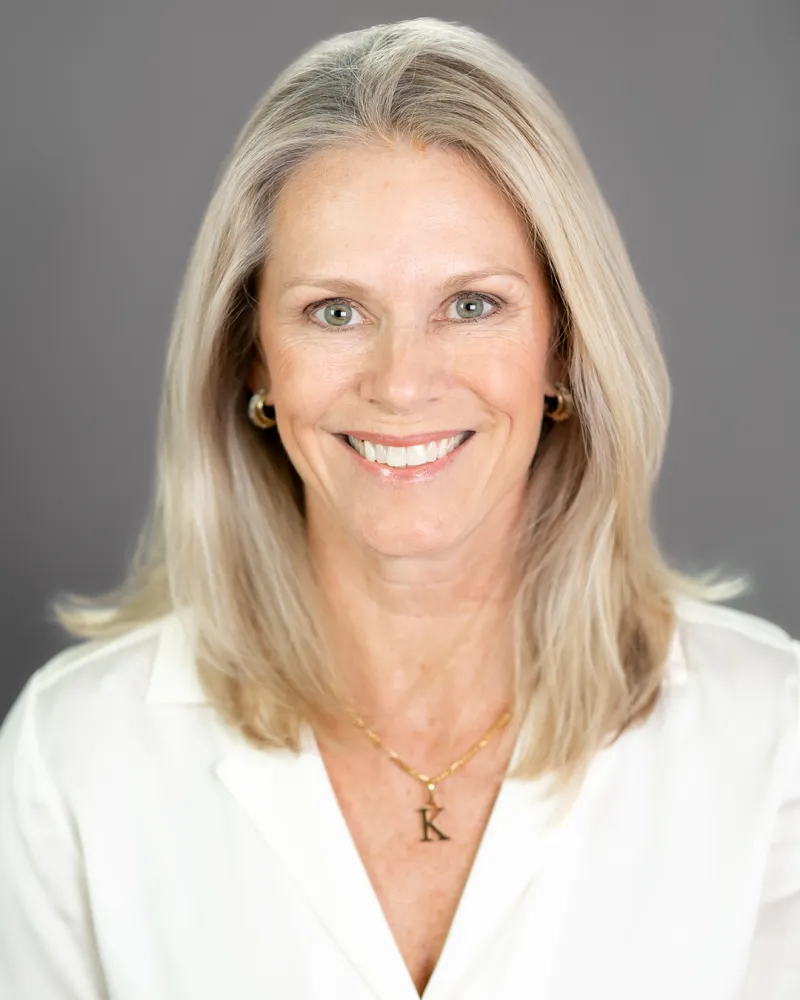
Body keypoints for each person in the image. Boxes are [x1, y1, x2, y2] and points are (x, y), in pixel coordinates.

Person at [0, 16, 797, 1000]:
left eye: (470, 304)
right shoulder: (75, 753)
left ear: (561, 344)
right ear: (255, 357)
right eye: (335, 311)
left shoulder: (772, 737)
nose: (402, 381)